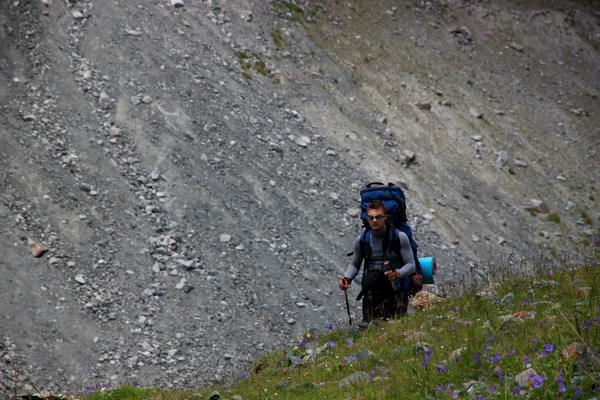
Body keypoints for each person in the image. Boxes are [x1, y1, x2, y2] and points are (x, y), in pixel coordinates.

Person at [339, 199, 416, 322]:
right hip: (371, 293)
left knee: (395, 327)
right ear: (367, 219)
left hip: (396, 291)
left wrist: (397, 274)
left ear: (385, 217)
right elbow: (355, 264)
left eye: (378, 217)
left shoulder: (399, 237)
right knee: (370, 330)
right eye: (371, 217)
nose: (374, 220)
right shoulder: (362, 240)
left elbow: (411, 265)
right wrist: (347, 278)